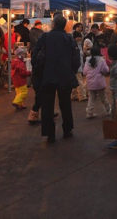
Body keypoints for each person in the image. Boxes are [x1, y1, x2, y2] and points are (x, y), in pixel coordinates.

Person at [38, 15, 81, 143]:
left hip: (48, 75)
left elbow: (37, 54)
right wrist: (71, 70)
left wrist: (40, 72)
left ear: (53, 24)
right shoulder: (69, 38)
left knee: (47, 105)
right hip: (65, 76)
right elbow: (76, 58)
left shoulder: (45, 37)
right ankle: (67, 130)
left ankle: (49, 133)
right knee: (65, 104)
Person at [83, 46, 111, 119]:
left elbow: (85, 72)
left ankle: (89, 112)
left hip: (90, 82)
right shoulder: (101, 60)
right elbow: (105, 70)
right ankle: (108, 110)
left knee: (91, 98)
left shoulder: (87, 60)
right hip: (99, 82)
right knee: (103, 98)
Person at [71, 31, 88, 102]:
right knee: (79, 81)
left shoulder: (78, 45)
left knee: (75, 81)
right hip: (76, 65)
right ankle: (82, 96)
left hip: (77, 65)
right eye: (78, 37)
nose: (79, 39)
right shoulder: (75, 45)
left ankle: (74, 95)